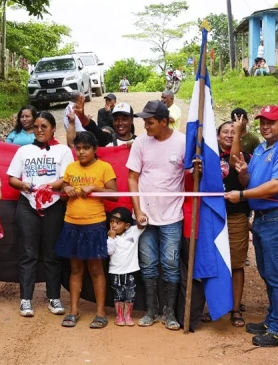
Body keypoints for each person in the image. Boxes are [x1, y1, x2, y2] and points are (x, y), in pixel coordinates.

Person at [225, 105, 278, 347]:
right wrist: (245, 175)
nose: (266, 127)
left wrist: (243, 194)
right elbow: (249, 178)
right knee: (268, 272)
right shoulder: (261, 147)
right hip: (263, 216)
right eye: (263, 122)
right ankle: (272, 319)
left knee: (277, 275)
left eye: (271, 122)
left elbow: (277, 186)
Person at [126, 100, 186, 330]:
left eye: (150, 122)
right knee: (148, 264)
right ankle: (151, 310)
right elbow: (132, 177)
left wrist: (198, 167)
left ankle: (169, 312)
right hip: (144, 217)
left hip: (172, 216)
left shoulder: (182, 142)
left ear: (164, 121)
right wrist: (138, 210)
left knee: (170, 264)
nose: (146, 127)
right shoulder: (140, 142)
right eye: (144, 122)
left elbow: (192, 172)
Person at [7, 111, 72, 317]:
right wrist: (25, 185)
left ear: (53, 128)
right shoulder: (23, 151)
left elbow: (65, 178)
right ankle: (26, 299)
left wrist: (49, 187)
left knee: (52, 253)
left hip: (53, 205)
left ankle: (54, 297)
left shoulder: (63, 151)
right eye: (36, 126)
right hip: (28, 204)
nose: (39, 130)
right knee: (28, 253)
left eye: (44, 126)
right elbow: (12, 179)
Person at [58, 131, 118, 329]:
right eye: (78, 148)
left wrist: (95, 188)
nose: (81, 152)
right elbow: (62, 191)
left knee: (95, 269)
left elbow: (115, 195)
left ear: (95, 149)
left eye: (86, 148)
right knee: (75, 269)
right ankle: (73, 311)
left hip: (94, 224)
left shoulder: (104, 168)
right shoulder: (70, 167)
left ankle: (100, 313)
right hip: (71, 223)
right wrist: (65, 190)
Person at [221, 120, 251, 327]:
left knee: (236, 263)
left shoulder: (245, 157)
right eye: (226, 131)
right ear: (218, 135)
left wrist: (242, 174)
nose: (230, 135)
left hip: (236, 216)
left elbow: (246, 181)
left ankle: (236, 308)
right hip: (212, 216)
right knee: (214, 262)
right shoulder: (209, 156)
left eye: (234, 132)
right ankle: (215, 306)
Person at [107, 207, 143, 327]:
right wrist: (111, 238)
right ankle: (120, 316)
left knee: (130, 294)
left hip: (131, 270)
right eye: (112, 222)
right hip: (115, 271)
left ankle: (128, 316)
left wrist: (142, 218)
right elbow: (108, 251)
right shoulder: (110, 237)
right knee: (118, 294)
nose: (114, 225)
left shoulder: (133, 231)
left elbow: (143, 224)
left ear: (127, 225)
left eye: (118, 222)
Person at [69, 101, 136, 148]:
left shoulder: (139, 142)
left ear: (132, 120)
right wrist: (82, 117)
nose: (120, 123)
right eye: (116, 119)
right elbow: (93, 128)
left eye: (124, 119)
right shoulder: (106, 139)